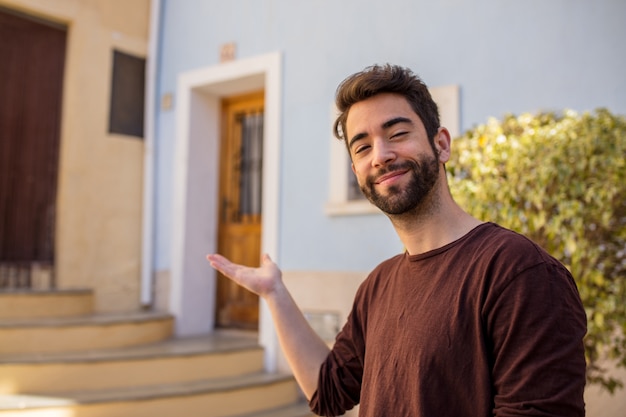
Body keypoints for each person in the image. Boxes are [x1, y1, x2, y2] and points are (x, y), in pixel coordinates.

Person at [206, 64, 587, 416]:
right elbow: (329, 391)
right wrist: (275, 293)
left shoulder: (518, 273)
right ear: (356, 171)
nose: (381, 156)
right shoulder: (378, 284)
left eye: (397, 134)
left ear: (441, 144)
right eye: (363, 147)